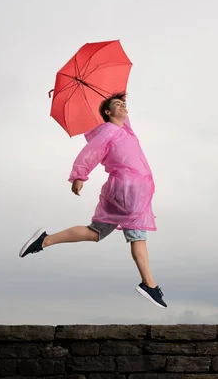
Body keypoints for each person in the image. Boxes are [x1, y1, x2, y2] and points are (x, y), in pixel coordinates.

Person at [18, 92, 167, 309]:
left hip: (132, 190)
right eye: (118, 105)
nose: (124, 107)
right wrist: (79, 175)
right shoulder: (109, 130)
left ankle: (44, 240)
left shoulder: (125, 131)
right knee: (137, 237)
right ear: (107, 113)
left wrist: (118, 96)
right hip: (129, 189)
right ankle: (149, 284)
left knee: (95, 233)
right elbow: (92, 151)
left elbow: (124, 117)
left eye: (125, 104)